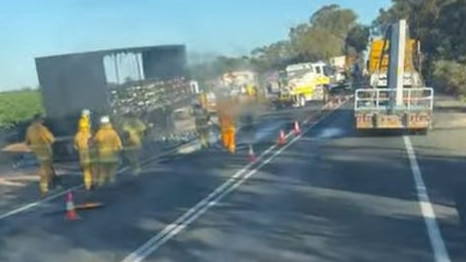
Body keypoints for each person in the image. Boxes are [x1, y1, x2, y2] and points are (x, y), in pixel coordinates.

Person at [25, 114, 56, 196]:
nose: (43, 121)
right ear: (38, 120)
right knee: (46, 169)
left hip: (37, 153)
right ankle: (46, 188)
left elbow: (27, 142)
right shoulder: (42, 129)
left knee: (45, 168)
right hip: (45, 151)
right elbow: (52, 139)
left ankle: (49, 186)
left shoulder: (29, 129)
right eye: (41, 119)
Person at [93, 116, 122, 186]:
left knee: (102, 172)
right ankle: (111, 186)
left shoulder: (99, 133)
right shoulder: (113, 133)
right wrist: (119, 152)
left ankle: (101, 186)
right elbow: (119, 145)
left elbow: (94, 142)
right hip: (113, 155)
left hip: (102, 156)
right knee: (112, 173)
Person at [74, 120, 93, 190]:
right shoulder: (89, 134)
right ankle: (92, 183)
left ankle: (88, 185)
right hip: (90, 155)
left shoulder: (77, 135)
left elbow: (75, 147)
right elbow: (92, 144)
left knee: (86, 171)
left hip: (82, 157)